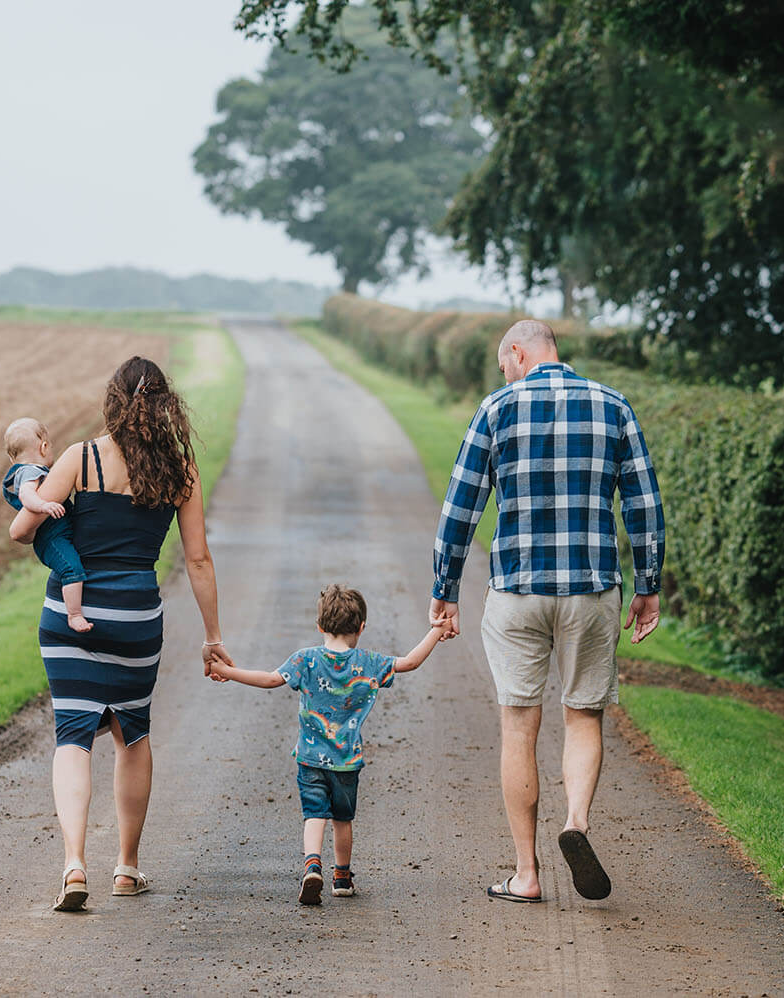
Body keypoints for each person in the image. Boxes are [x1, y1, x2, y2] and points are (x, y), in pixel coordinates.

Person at [428, 319, 665, 904]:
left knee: (519, 724)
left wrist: (445, 587)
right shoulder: (614, 407)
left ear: (518, 352)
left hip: (517, 589)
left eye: (502, 361)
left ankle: (527, 875)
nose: (502, 372)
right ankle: (576, 824)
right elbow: (644, 502)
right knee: (584, 713)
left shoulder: (496, 408)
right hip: (591, 589)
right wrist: (649, 584)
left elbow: (461, 506)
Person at [9, 356, 234, 912]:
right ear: (166, 406)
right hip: (136, 617)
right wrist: (212, 636)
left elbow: (23, 531)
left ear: (113, 401)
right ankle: (127, 869)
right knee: (132, 733)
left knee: (72, 734)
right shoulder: (179, 470)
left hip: (69, 613)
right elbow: (199, 560)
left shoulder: (79, 457)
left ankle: (74, 863)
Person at [210, 584, 446, 905]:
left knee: (314, 814)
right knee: (342, 819)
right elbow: (410, 662)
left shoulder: (305, 660)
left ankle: (312, 865)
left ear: (319, 626)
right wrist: (437, 630)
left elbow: (268, 679)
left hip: (310, 758)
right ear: (361, 627)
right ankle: (342, 876)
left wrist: (226, 670)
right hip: (347, 761)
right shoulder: (368, 662)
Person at [1, 417, 92, 633]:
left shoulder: (29, 471)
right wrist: (43, 505)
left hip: (58, 533)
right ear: (44, 447)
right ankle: (74, 614)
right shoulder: (30, 472)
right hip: (51, 539)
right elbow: (26, 495)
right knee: (71, 567)